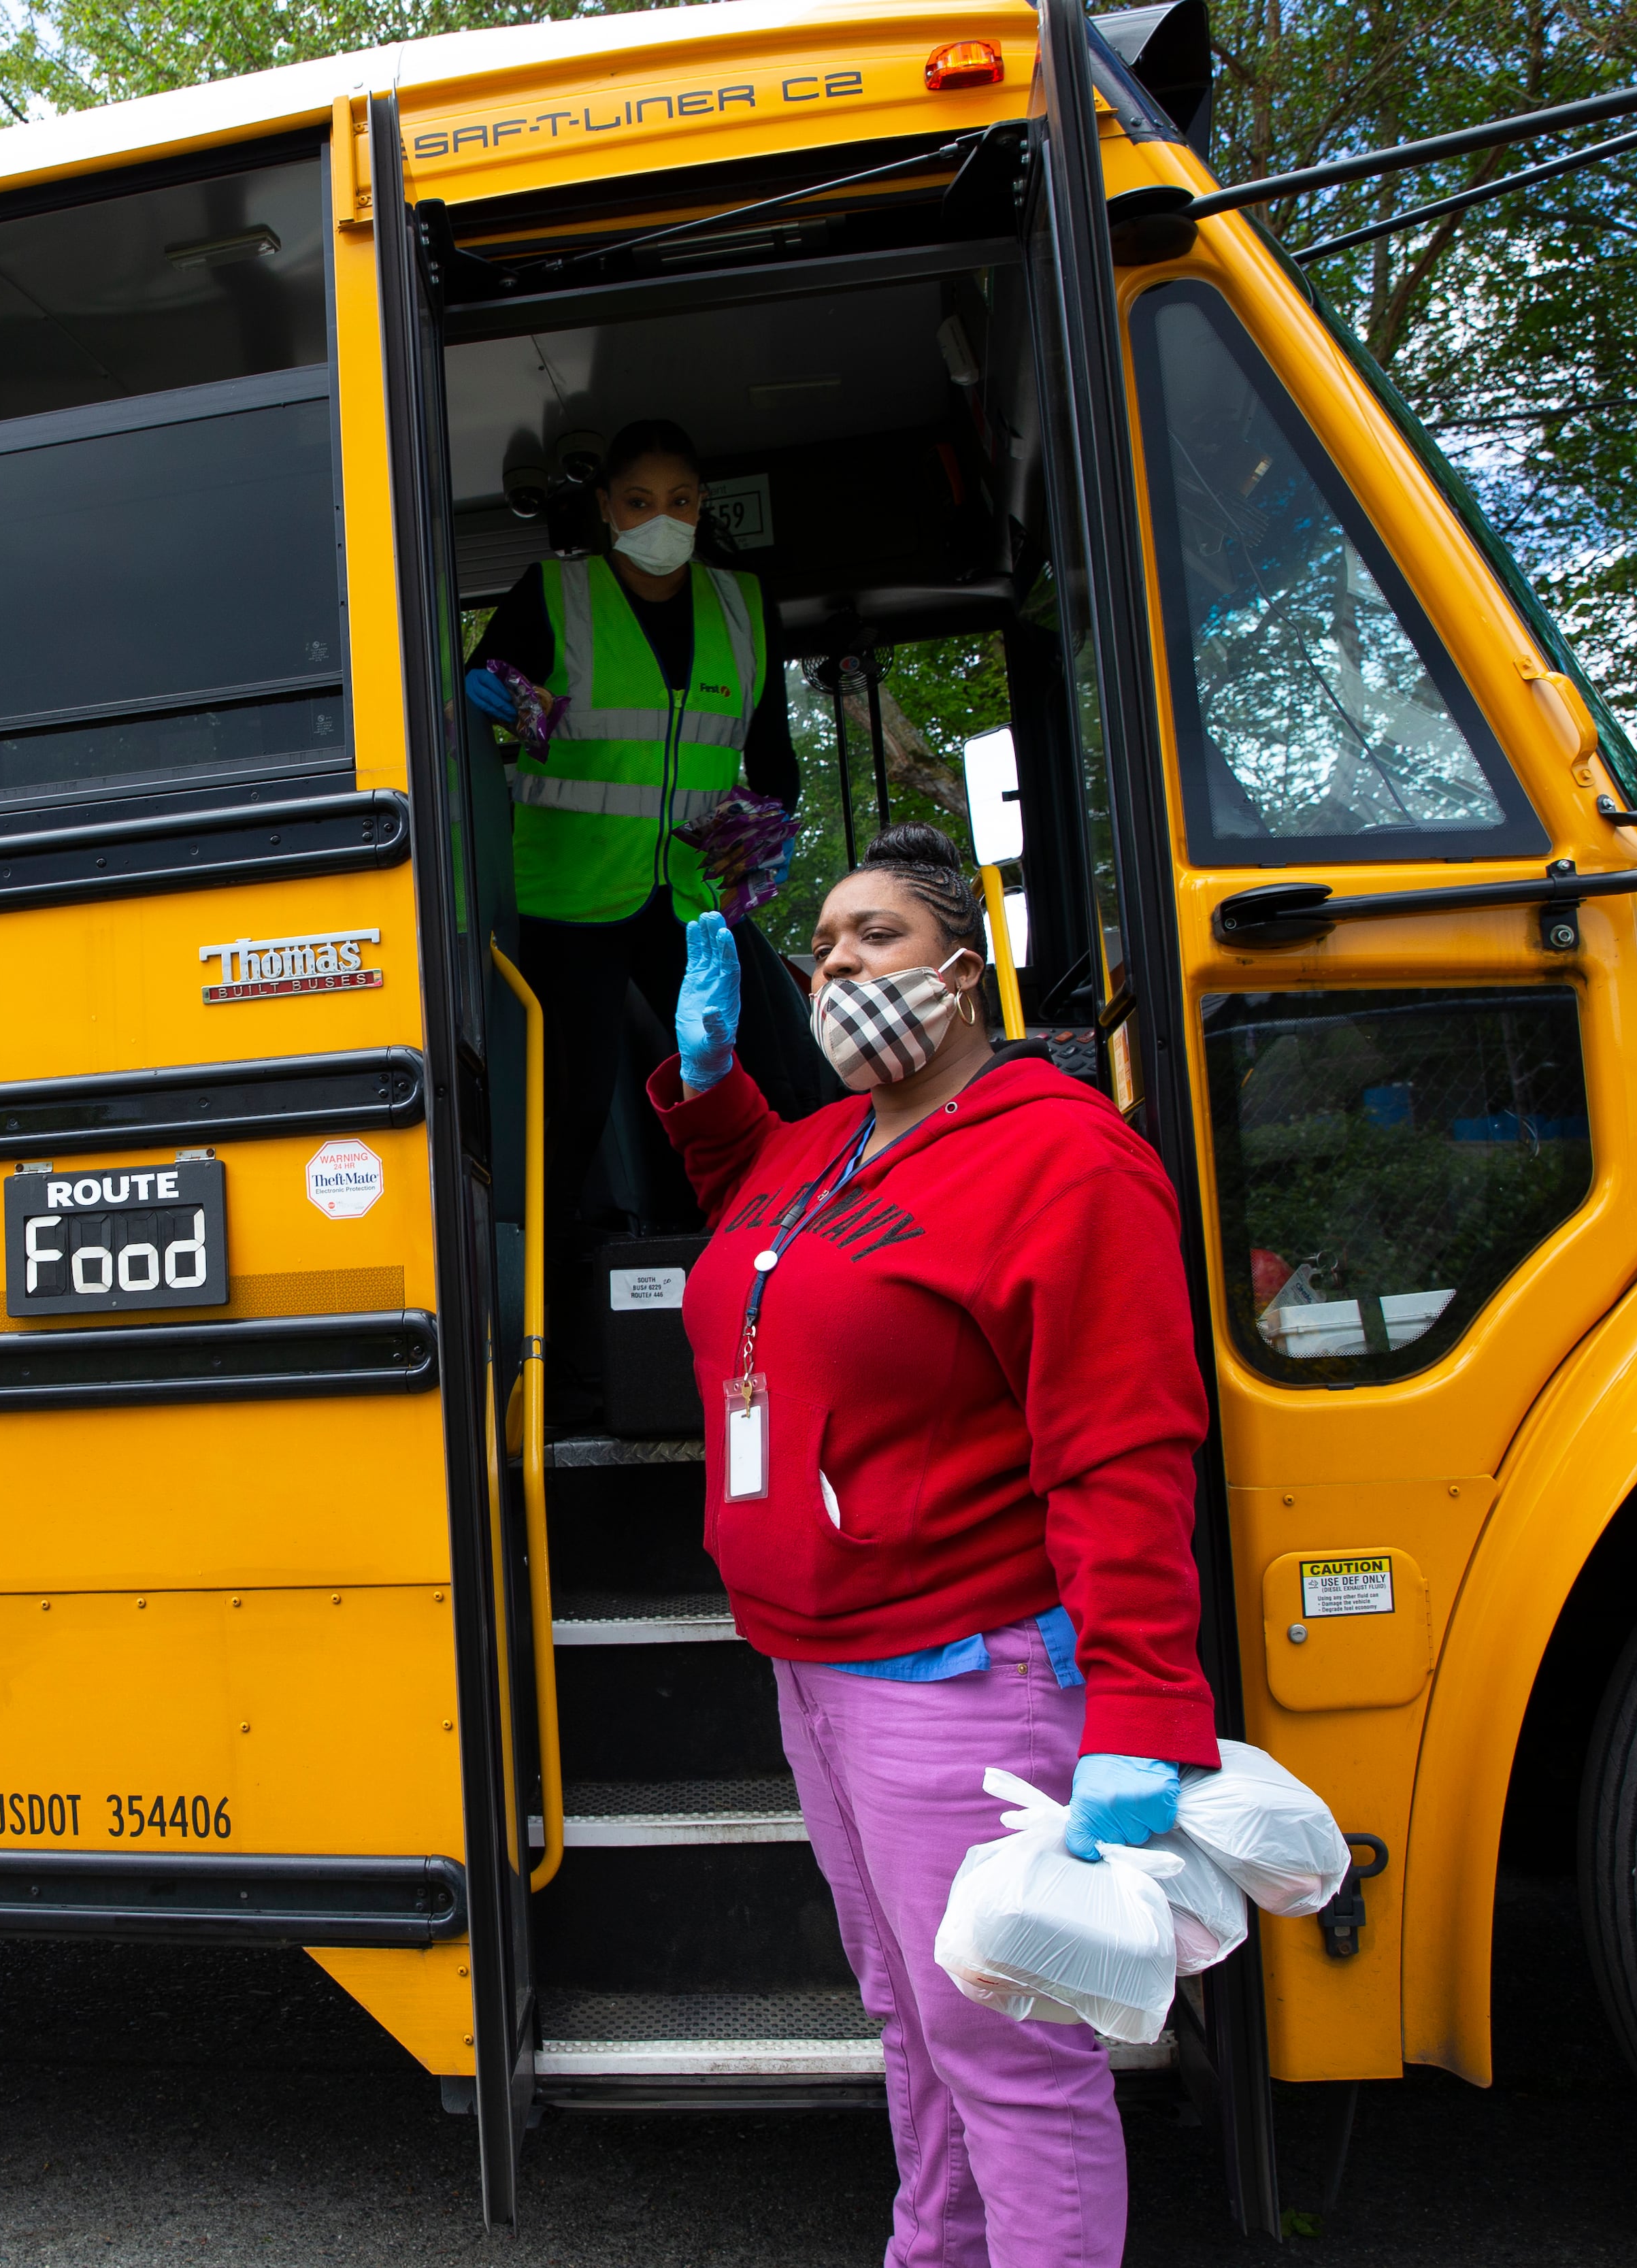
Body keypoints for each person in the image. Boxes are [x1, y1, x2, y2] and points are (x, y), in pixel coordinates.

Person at [652, 823, 1218, 2267]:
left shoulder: (1062, 1154)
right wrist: (712, 1094)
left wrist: (1142, 1704)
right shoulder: (829, 1140)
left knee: (1011, 2055)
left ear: (963, 971)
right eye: (822, 945)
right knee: (913, 2020)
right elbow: (772, 1249)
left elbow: (1121, 1444)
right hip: (819, 1669)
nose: (837, 961)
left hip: (960, 1676)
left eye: (875, 936)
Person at [462, 420, 806, 1416]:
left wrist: (765, 836)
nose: (666, 521)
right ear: (609, 508)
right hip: (569, 895)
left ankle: (765, 1279)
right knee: (568, 1107)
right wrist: (514, 710)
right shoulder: (557, 594)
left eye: (685, 501)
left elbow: (770, 751)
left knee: (748, 1081)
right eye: (643, 502)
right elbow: (488, 712)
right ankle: (558, 1339)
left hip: (691, 889)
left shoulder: (743, 606)